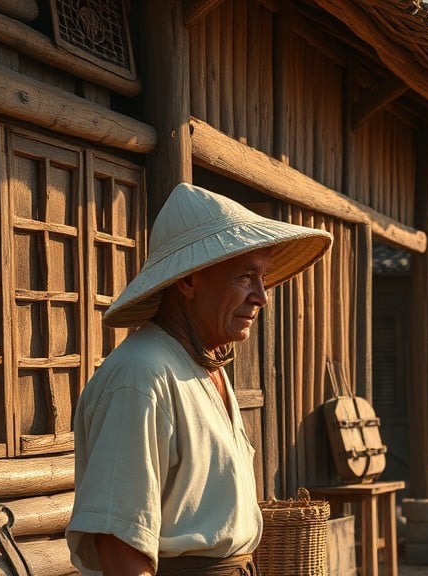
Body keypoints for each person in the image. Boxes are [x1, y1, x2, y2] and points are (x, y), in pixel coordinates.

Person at [67, 183, 333, 576]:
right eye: (245, 276)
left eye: (263, 278)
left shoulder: (208, 367)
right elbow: (121, 546)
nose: (261, 296)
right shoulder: (141, 377)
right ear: (188, 281)